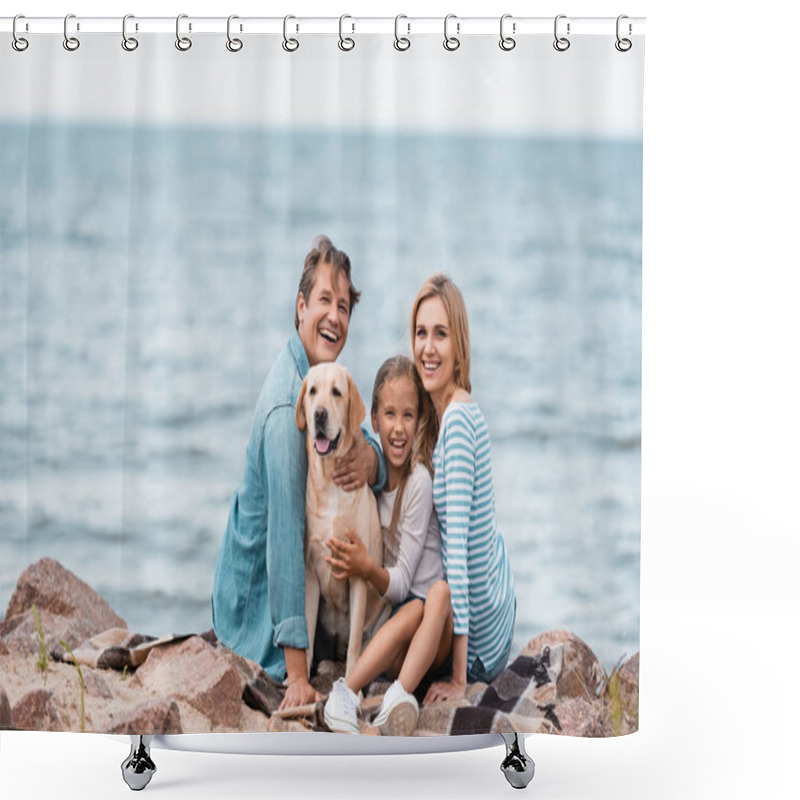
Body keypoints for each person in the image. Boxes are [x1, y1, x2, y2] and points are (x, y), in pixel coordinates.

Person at [211, 236, 386, 712]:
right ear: (301, 306)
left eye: (344, 306)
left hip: (305, 599)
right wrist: (297, 676)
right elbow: (287, 544)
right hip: (256, 607)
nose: (334, 316)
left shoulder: (318, 384)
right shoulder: (289, 405)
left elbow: (357, 431)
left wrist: (372, 460)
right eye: (324, 301)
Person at [323, 356, 453, 735]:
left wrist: (364, 568)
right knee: (408, 612)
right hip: (398, 640)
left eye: (409, 416)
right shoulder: (374, 487)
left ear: (420, 420)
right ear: (374, 421)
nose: (398, 428)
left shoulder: (418, 483)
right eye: (390, 415)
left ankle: (392, 696)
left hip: (433, 637)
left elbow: (400, 584)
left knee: (435, 596)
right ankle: (345, 696)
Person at [411, 273, 516, 702]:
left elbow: (457, 556)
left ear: (460, 348)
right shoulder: (462, 410)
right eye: (420, 333)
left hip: (480, 653)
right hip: (500, 608)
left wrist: (459, 679)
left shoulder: (453, 424)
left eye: (441, 334)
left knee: (411, 617)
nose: (428, 348)